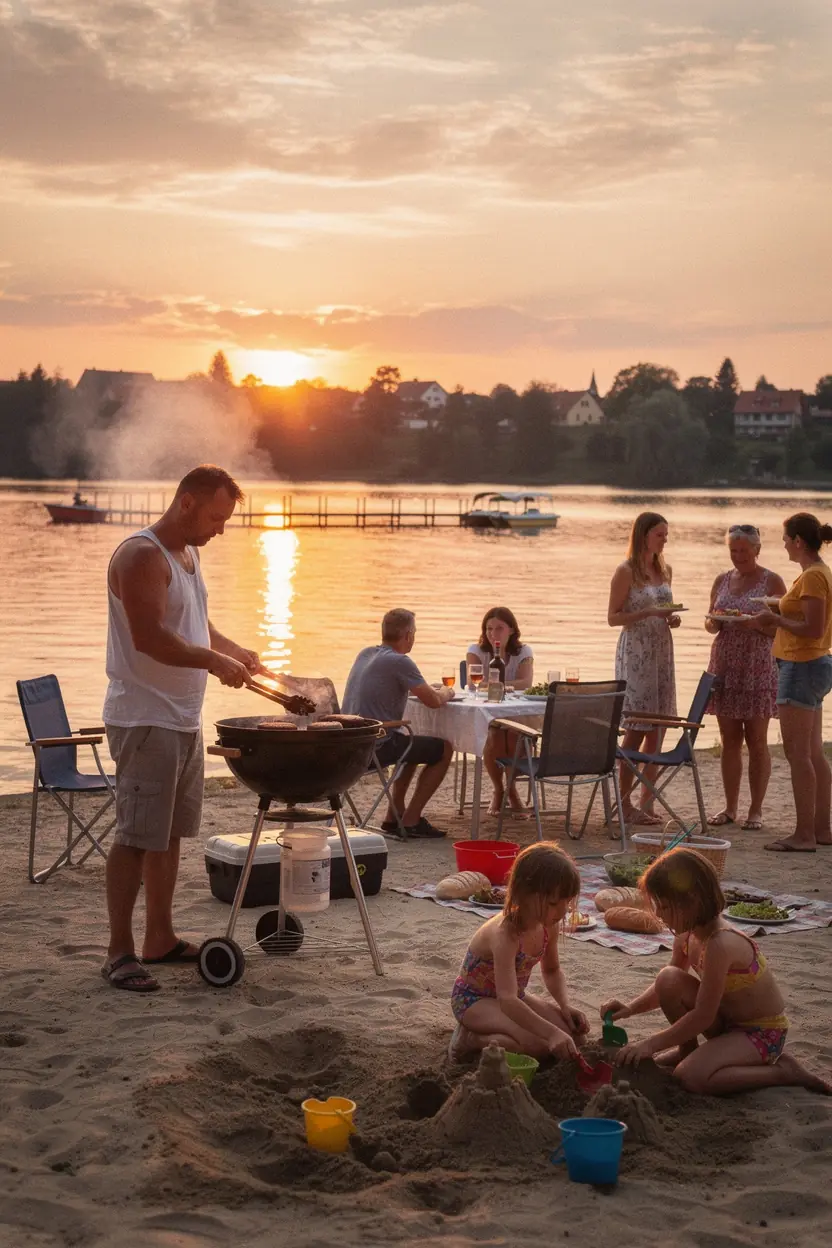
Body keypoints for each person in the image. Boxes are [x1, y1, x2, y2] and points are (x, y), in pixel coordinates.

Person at [101, 465, 269, 993]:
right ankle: (119, 952)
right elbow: (150, 637)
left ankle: (160, 938)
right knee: (135, 834)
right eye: (217, 517)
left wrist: (229, 649)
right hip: (144, 716)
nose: (220, 529)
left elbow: (192, 624)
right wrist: (213, 664)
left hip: (180, 716)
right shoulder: (141, 555)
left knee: (168, 833)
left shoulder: (188, 556)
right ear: (187, 503)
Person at [600, 849, 830, 1095]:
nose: (658, 914)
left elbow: (703, 1016)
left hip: (760, 1034)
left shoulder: (720, 943)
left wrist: (651, 1044)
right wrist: (631, 1008)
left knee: (690, 1078)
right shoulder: (687, 933)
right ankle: (688, 1052)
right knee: (667, 978)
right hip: (726, 1023)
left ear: (691, 902)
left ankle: (783, 1072)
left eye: (665, 907)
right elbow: (666, 987)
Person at [448, 842, 588, 1062]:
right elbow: (508, 1001)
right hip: (474, 1000)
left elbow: (552, 970)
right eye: (553, 903)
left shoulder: (548, 923)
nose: (562, 912)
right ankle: (470, 1039)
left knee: (574, 1038)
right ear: (524, 894)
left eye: (567, 902)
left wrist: (565, 1006)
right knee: (535, 1045)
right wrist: (551, 1033)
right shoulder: (506, 934)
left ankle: (504, 1033)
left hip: (515, 997)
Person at [752, 513, 832, 852]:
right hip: (811, 663)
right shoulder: (818, 573)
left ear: (798, 541)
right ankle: (821, 829)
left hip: (801, 666)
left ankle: (804, 835)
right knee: (813, 753)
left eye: (786, 538)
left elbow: (813, 628)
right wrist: (774, 621)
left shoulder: (813, 577)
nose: (783, 544)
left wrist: (775, 618)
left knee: (797, 754)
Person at [342, 608, 453, 838]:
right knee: (444, 749)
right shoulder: (400, 661)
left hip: (348, 745)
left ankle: (394, 815)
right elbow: (433, 702)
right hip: (374, 749)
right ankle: (411, 820)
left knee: (410, 743)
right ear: (409, 635)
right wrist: (446, 691)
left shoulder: (365, 654)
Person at [704, 524, 786, 831]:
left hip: (758, 664)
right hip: (725, 663)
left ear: (757, 550)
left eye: (743, 551)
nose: (738, 556)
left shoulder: (772, 580)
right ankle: (730, 808)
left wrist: (756, 626)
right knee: (729, 741)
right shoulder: (722, 579)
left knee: (757, 740)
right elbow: (711, 619)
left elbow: (784, 625)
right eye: (733, 551)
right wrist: (714, 623)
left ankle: (756, 810)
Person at [608, 512, 680, 825]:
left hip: (661, 651)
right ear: (643, 536)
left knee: (658, 728)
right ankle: (625, 805)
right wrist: (647, 613)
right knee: (636, 728)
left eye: (666, 535)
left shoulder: (664, 569)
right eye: (660, 535)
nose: (665, 540)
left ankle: (647, 803)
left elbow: (663, 610)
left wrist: (670, 618)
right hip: (636, 652)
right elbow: (613, 617)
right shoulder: (625, 571)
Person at [466, 607, 534, 817]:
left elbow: (526, 682)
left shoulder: (523, 652)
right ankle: (501, 790)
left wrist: (496, 685)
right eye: (488, 629)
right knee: (494, 734)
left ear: (511, 630)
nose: (492, 634)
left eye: (499, 628)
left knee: (515, 733)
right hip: (489, 712)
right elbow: (472, 683)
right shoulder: (476, 651)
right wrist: (505, 685)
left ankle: (510, 790)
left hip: (517, 712)